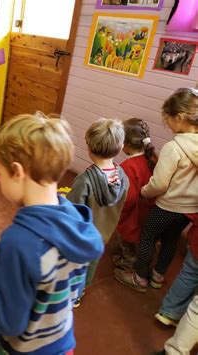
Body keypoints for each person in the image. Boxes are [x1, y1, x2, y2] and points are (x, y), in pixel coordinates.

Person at [0, 113, 104, 355]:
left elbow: (5, 321)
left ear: (17, 172)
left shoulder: (19, 244)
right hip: (61, 344)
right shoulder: (78, 221)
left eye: (0, 174)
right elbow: (73, 290)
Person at [114, 88, 198, 292]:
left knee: (147, 238)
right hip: (189, 210)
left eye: (167, 119)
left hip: (166, 207)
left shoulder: (174, 148)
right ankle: (158, 276)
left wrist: (144, 192)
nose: (166, 123)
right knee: (171, 241)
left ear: (179, 117)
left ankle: (140, 277)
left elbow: (159, 184)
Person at [67, 118, 128, 300]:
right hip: (103, 234)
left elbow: (72, 211)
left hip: (80, 236)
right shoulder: (123, 176)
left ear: (89, 148)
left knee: (74, 265)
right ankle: (81, 292)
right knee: (91, 264)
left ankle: (71, 295)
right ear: (121, 146)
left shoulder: (84, 180)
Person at [114, 118, 157, 270]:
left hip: (133, 212)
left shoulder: (128, 166)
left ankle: (129, 262)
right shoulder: (151, 159)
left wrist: (118, 212)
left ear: (125, 144)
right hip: (147, 210)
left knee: (126, 237)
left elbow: (129, 198)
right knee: (143, 235)